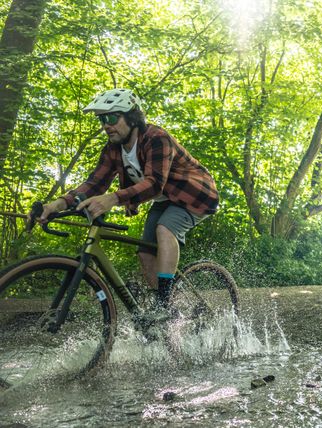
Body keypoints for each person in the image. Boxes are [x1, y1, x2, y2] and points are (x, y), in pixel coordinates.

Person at [36, 88, 219, 310]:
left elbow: (154, 183)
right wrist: (57, 204)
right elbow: (95, 183)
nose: (106, 125)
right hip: (164, 199)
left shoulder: (156, 138)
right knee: (145, 254)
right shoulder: (113, 149)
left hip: (195, 195)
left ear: (132, 117)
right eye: (102, 119)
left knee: (165, 229)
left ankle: (163, 304)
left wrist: (113, 199)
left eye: (112, 117)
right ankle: (174, 308)